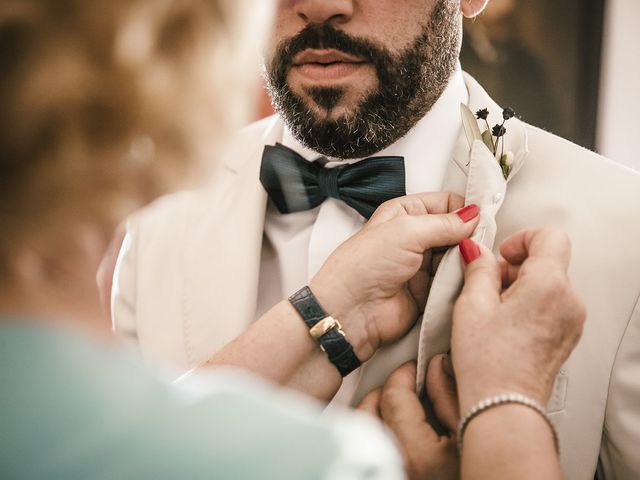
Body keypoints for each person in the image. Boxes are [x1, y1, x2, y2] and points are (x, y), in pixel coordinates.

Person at [0, 0, 587, 479]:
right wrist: (506, 421)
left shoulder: (620, 226)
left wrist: (327, 310)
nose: (320, 5)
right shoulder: (158, 216)